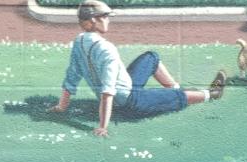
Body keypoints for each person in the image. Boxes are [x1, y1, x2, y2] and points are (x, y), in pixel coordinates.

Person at [49, 0, 226, 137]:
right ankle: (211, 94)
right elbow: (107, 91)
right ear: (93, 21)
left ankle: (172, 90)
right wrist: (103, 127)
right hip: (129, 101)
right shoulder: (106, 49)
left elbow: (72, 77)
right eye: (105, 16)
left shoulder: (79, 42)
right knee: (181, 96)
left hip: (125, 88)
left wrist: (62, 106)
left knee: (151, 57)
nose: (108, 20)